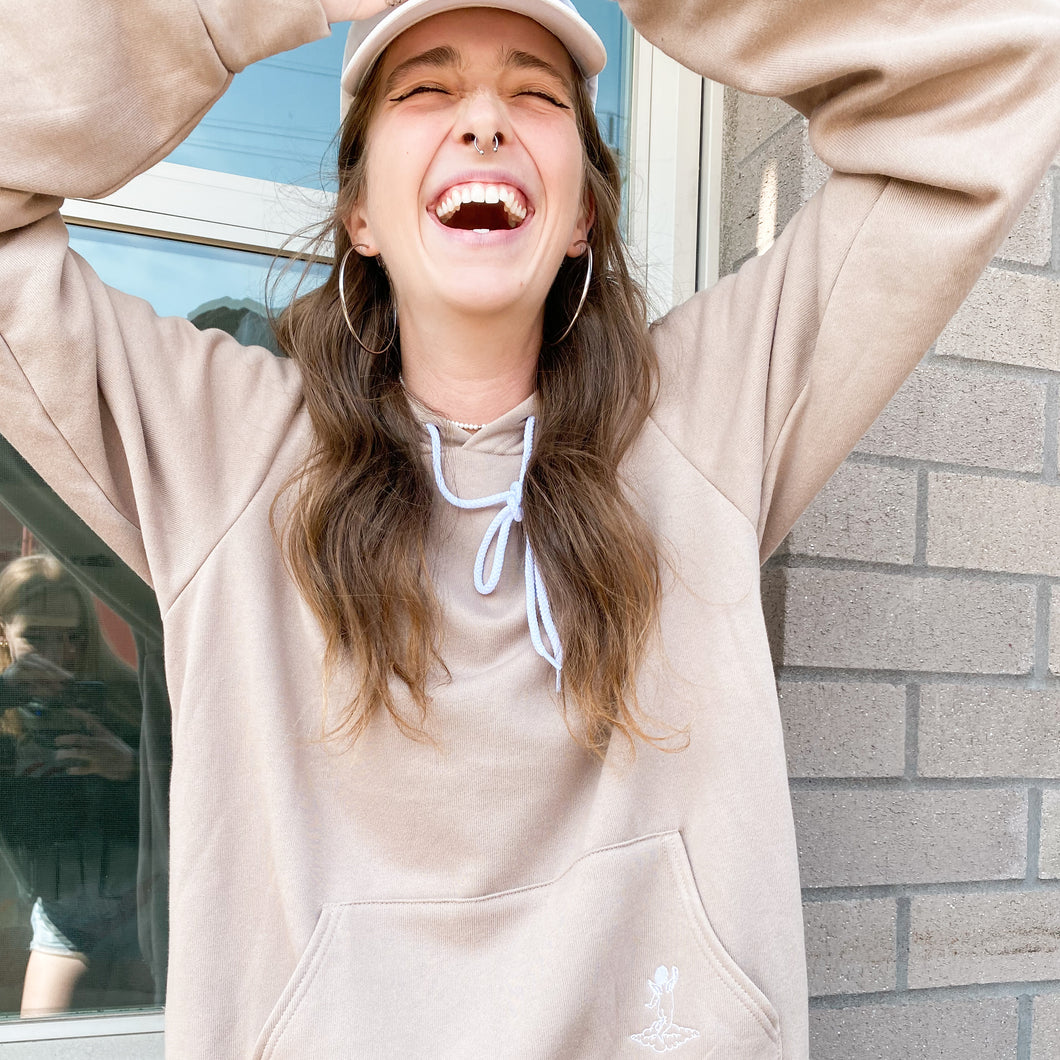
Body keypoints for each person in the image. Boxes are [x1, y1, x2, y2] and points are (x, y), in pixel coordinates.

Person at [0, 0, 1058, 1055]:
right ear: (358, 212)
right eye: (426, 89)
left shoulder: (709, 419)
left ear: (585, 214)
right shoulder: (220, 451)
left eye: (536, 94)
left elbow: (995, 75)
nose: (483, 122)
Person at [0, 555, 146, 1016]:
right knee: (40, 1040)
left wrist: (132, 767)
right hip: (62, 918)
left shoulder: (126, 698)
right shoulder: (4, 717)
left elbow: (205, 801)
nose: (56, 654)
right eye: (35, 637)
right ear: (4, 630)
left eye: (72, 637)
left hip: (149, 906)